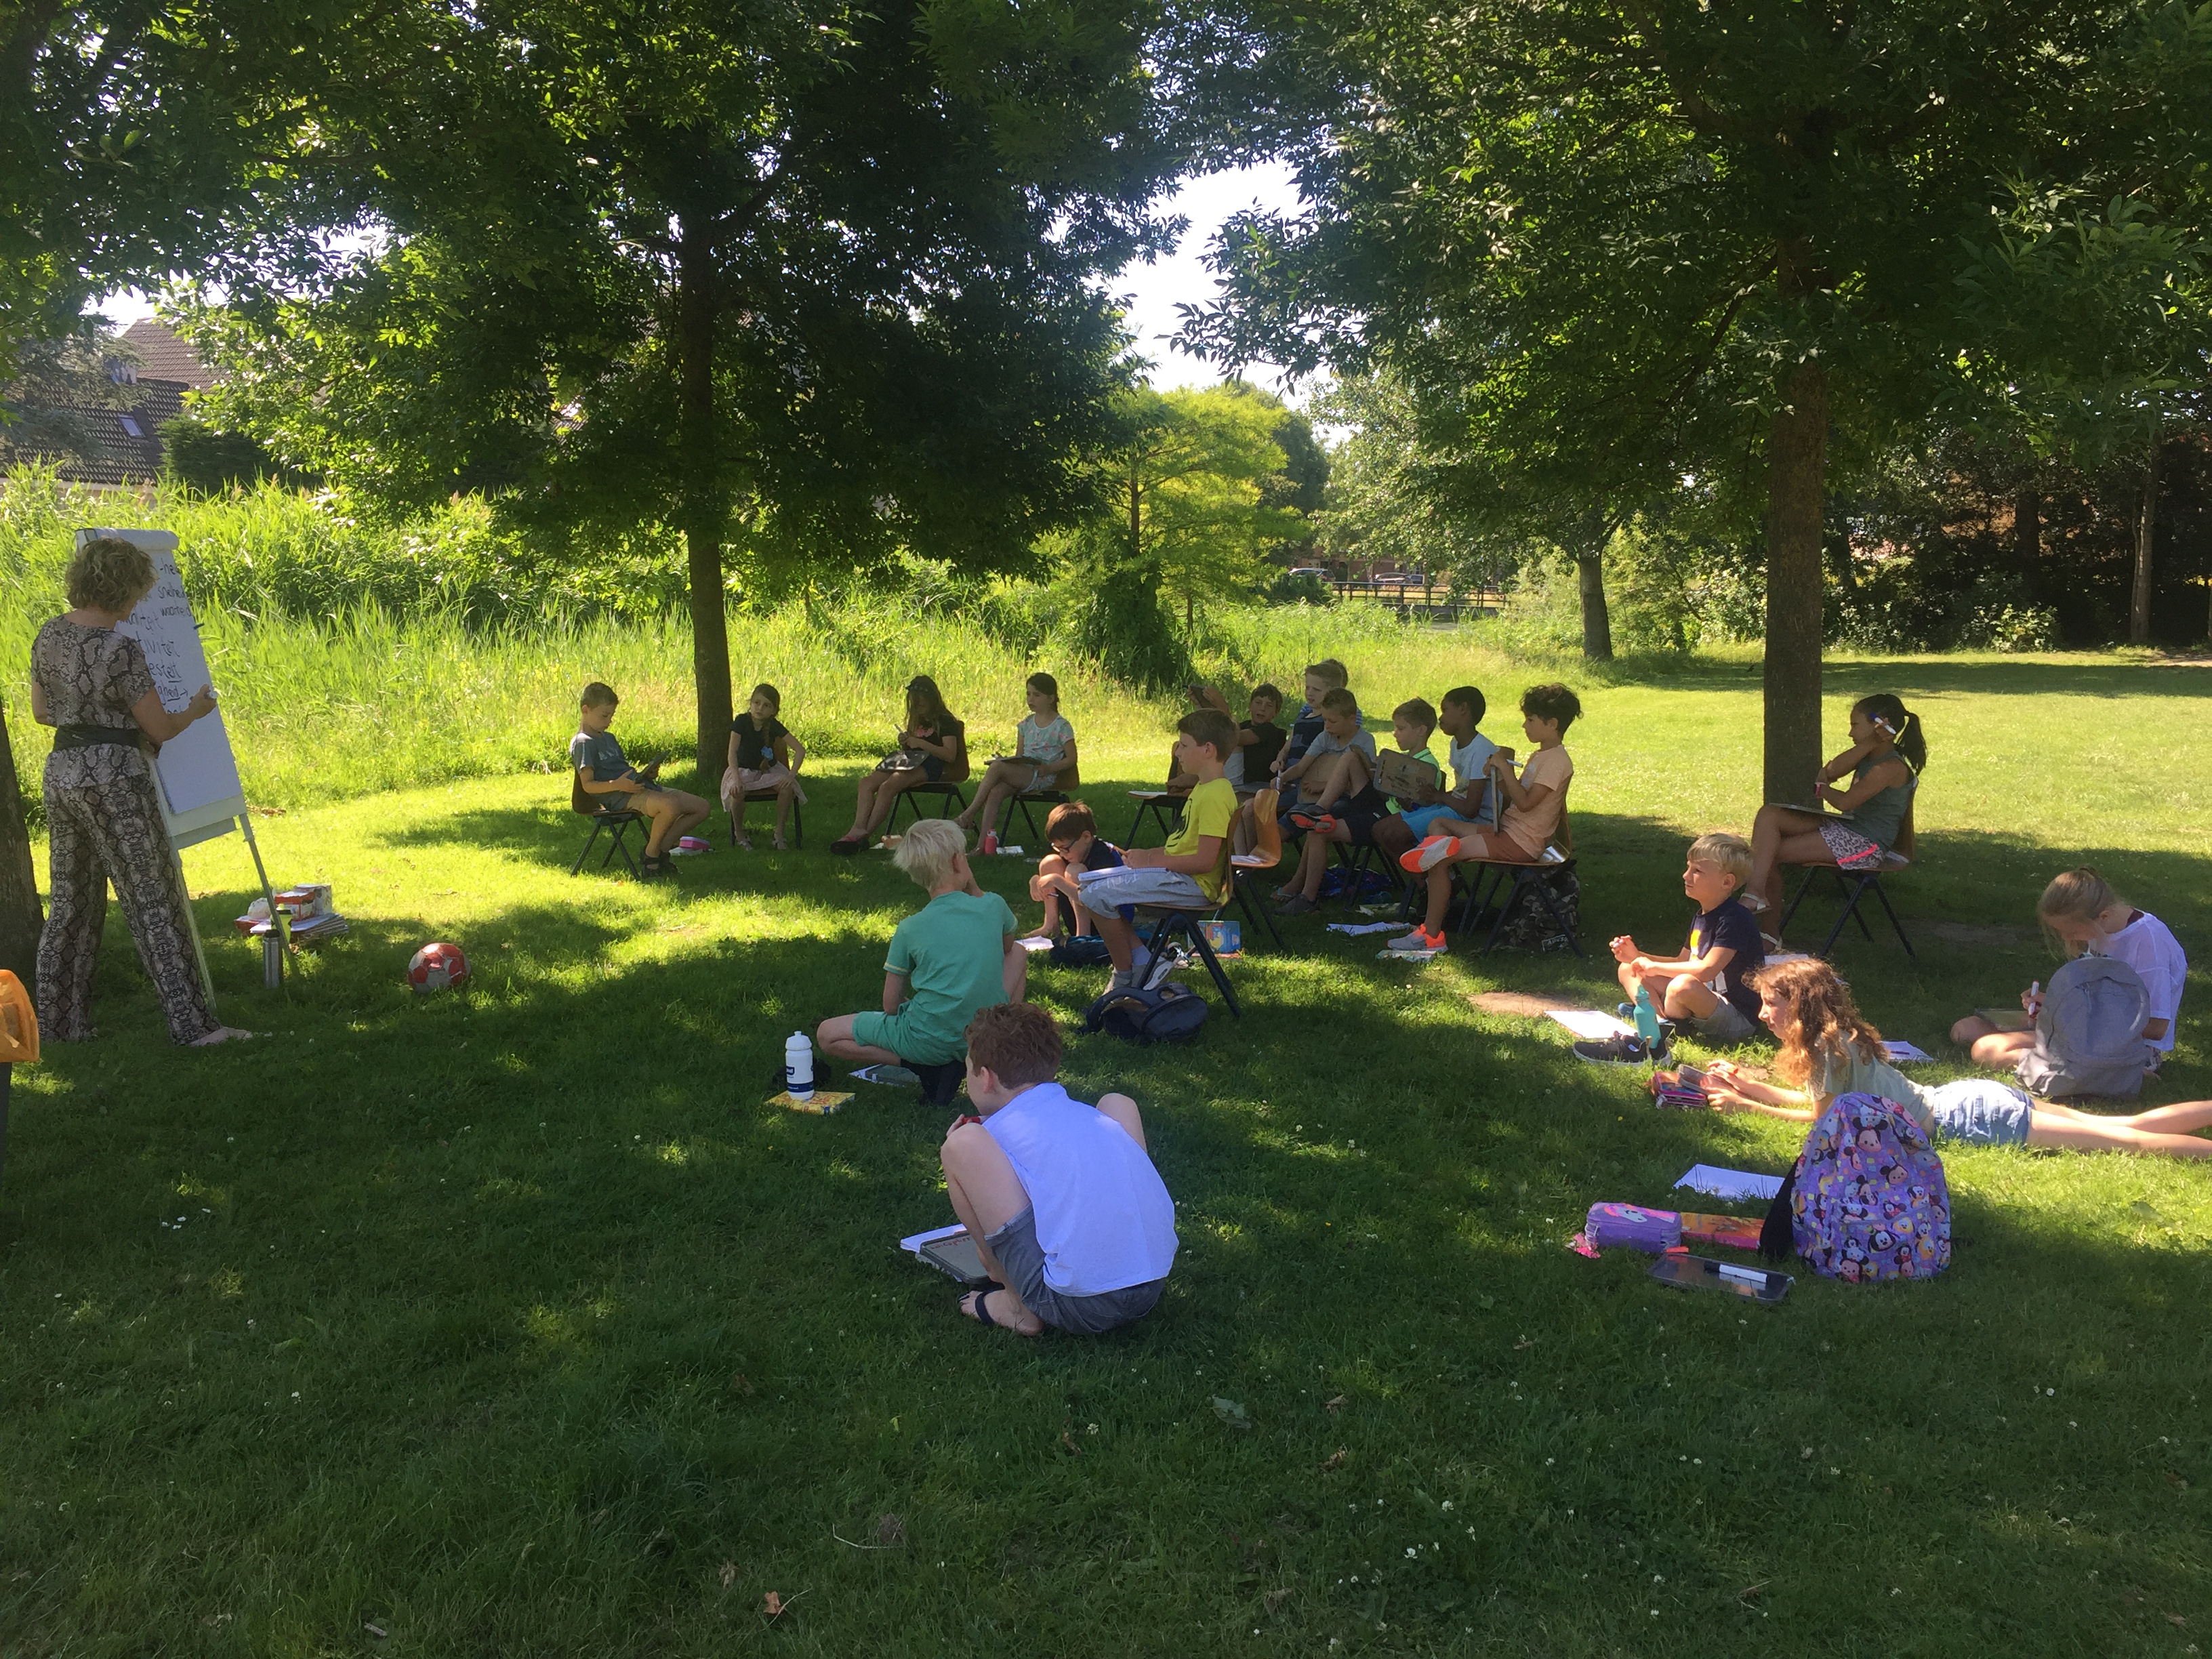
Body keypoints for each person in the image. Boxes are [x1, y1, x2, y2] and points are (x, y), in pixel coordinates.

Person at [29, 535, 251, 1046]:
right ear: (124, 591)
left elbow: (43, 714)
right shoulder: (119, 648)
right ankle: (194, 1028)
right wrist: (196, 709)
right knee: (153, 900)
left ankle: (59, 1027)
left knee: (71, 904)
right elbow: (160, 728)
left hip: (62, 774)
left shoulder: (49, 635)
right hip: (116, 782)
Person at [1704, 959, 2212, 1157]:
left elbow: (1821, 1122)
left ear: (1803, 1005)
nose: (1764, 1013)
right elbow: (1822, 1102)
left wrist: (1747, 1106)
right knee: (2129, 1124)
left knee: (2130, 1142)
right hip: (1969, 1098)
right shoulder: (1833, 1039)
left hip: (1974, 1118)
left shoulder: (1826, 1047)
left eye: (1774, 1003)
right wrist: (1746, 1085)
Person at [939, 1002, 1176, 1336]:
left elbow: (977, 1163)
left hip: (1079, 1304)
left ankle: (1017, 1304)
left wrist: (963, 1146)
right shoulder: (1081, 1117)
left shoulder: (990, 1134)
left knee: (960, 1147)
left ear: (986, 1078)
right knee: (1116, 1103)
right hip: (1151, 1283)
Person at [816, 818, 1025, 1100]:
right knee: (1020, 953)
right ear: (958, 862)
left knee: (827, 1034)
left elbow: (890, 1006)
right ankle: (1004, 1038)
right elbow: (1008, 947)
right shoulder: (993, 905)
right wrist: (975, 889)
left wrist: (912, 1006)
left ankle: (920, 1067)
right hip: (981, 1033)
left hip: (925, 1041)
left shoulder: (910, 928)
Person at [1391, 682, 1582, 953]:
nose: (1524, 726)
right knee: (1438, 825)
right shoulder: (1542, 755)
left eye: (1530, 720)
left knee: (1439, 860)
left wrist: (1504, 769)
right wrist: (1496, 774)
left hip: (1519, 842)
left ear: (1552, 724)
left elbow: (1526, 804)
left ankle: (1431, 936)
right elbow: (1515, 794)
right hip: (1505, 831)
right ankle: (1437, 862)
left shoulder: (1557, 761)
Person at [1950, 867, 2186, 1075]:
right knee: (1965, 1030)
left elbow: (2156, 1027)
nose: (2067, 938)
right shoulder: (2102, 931)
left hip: (2128, 1048)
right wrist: (2052, 1004)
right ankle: (2087, 1074)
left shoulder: (2148, 943)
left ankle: (2117, 1076)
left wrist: (2071, 1017)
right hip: (2084, 1032)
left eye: (2071, 932)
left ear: (2102, 917)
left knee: (1987, 1051)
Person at [1073, 708, 1239, 991]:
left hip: (1193, 885)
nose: (1178, 753)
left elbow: (1204, 861)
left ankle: (1127, 974)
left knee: (1096, 894)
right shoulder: (1204, 788)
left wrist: (1150, 859)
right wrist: (1147, 855)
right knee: (1089, 891)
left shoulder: (1215, 795)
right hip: (1179, 877)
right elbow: (1182, 845)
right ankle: (1141, 961)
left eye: (1184, 746)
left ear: (1208, 750)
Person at [1744, 693, 1923, 933]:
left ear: (1880, 722)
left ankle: (1769, 932)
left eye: (1855, 725)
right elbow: (1830, 771)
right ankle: (1755, 895)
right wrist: (1870, 742)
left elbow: (1846, 802)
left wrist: (1823, 790)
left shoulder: (1889, 768)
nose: (1850, 733)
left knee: (1767, 854)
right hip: (1847, 828)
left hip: (1866, 844)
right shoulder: (1868, 755)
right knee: (1770, 814)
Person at [1580, 832, 1765, 1059]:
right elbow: (1682, 962)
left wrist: (1653, 967)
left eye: (1697, 871)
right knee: (1629, 968)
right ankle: (1658, 1024)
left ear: (1727, 882)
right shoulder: (1702, 915)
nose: (1686, 875)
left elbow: (1707, 970)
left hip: (1736, 1016)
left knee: (1682, 985)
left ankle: (1671, 1024)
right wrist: (1637, 956)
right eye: (1688, 867)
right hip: (1703, 1000)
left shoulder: (1736, 919)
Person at [1273, 698, 1439, 915]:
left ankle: (1308, 898)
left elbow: (1417, 807)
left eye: (1400, 728)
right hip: (1380, 806)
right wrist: (1376, 773)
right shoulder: (1406, 758)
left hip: (1389, 818)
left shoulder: (1427, 766)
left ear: (1421, 730)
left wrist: (1386, 781)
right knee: (1352, 756)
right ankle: (1321, 808)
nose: (1395, 733)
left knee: (1319, 830)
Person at [571, 682, 712, 877]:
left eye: (612, 715)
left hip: (638, 786)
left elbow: (622, 768)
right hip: (620, 797)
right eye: (605, 715)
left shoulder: (609, 738)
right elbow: (588, 786)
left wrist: (647, 775)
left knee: (702, 807)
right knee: (670, 807)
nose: (609, 720)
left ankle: (662, 848)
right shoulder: (583, 743)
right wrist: (619, 785)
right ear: (585, 710)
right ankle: (651, 855)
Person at [832, 675, 967, 855]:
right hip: (911, 760)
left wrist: (921, 744)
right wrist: (906, 742)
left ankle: (862, 838)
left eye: (921, 704)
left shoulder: (945, 721)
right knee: (866, 782)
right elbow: (914, 746)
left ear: (932, 701)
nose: (917, 709)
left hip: (933, 765)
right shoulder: (917, 719)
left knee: (889, 787)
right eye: (914, 705)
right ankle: (858, 828)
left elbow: (950, 755)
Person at [958, 672, 1078, 844]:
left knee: (997, 767)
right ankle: (982, 846)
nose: (1031, 699)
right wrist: (1009, 761)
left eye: (1037, 695)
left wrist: (1049, 769)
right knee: (995, 791)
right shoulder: (1026, 724)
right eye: (1028, 694)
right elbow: (1020, 756)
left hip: (1042, 775)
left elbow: (1072, 759)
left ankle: (968, 815)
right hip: (1025, 772)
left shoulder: (1062, 726)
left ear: (1051, 698)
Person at [721, 682, 806, 850]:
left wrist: (791, 776)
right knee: (736, 792)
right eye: (757, 703)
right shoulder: (741, 722)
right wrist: (737, 779)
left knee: (787, 789)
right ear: (751, 703)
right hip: (742, 771)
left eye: (767, 705)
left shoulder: (773, 725)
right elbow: (732, 753)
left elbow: (800, 750)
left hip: (769, 771)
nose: (760, 708)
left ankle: (779, 835)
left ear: (774, 710)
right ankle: (740, 835)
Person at [1027, 800, 1124, 939]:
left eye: (1065, 848)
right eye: (1057, 848)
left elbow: (1096, 899)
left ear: (1086, 837)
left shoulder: (1102, 856)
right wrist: (1035, 881)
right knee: (1049, 863)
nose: (1062, 853)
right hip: (1076, 916)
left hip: (1105, 923)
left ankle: (1083, 936)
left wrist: (1056, 881)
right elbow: (1049, 871)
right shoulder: (1072, 851)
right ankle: (1051, 925)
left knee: (1074, 871)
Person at [1174, 683, 1285, 790]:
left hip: (1249, 783)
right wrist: (1199, 704)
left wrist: (1222, 705)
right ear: (1250, 706)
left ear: (1276, 712)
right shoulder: (1244, 725)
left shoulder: (1270, 731)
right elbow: (1211, 732)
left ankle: (1193, 781)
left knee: (1226, 744)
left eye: (1269, 706)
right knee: (1186, 745)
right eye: (1258, 703)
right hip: (1233, 776)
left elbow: (1235, 739)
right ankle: (1184, 781)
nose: (1262, 708)